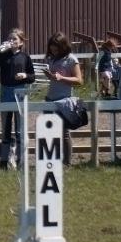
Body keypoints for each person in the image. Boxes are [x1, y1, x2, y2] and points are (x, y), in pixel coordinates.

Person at [0, 28, 36, 170]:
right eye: (10, 38)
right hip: (6, 92)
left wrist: (25, 76)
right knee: (5, 128)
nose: (11, 41)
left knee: (20, 129)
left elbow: (32, 76)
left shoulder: (25, 57)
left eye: (15, 39)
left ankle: (21, 160)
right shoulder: (3, 55)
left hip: (20, 91)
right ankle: (3, 161)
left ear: (21, 42)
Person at [44, 32, 83, 166]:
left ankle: (66, 162)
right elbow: (55, 78)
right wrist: (51, 76)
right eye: (52, 48)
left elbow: (79, 80)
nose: (53, 50)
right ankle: (53, 160)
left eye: (56, 48)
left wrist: (61, 78)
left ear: (63, 46)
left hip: (64, 101)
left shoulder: (71, 59)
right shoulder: (52, 59)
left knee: (64, 133)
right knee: (49, 131)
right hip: (50, 99)